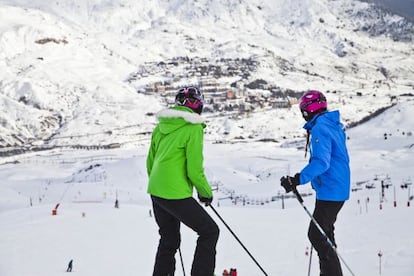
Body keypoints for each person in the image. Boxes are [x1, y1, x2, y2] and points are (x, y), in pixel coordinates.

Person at [147, 87, 219, 276]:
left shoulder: (161, 126)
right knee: (209, 232)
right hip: (174, 192)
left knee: (169, 239)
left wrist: (160, 185)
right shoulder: (193, 128)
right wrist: (205, 193)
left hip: (156, 191)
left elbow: (150, 162)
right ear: (198, 105)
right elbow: (194, 170)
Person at [280, 90, 350, 276]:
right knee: (325, 234)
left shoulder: (320, 128)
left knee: (317, 235)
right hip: (334, 188)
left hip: (331, 189)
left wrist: (297, 179)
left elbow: (321, 162)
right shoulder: (331, 125)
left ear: (307, 110)